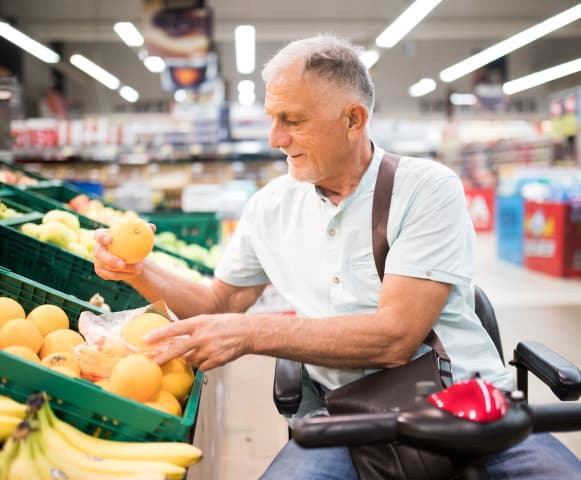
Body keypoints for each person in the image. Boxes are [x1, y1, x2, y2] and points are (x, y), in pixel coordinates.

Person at [94, 35, 581, 479]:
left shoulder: (426, 188)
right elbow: (220, 304)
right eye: (273, 119)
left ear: (353, 120)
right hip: (347, 416)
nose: (275, 139)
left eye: (293, 121)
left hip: (469, 406)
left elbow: (395, 337)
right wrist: (138, 271)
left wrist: (253, 334)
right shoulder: (270, 209)